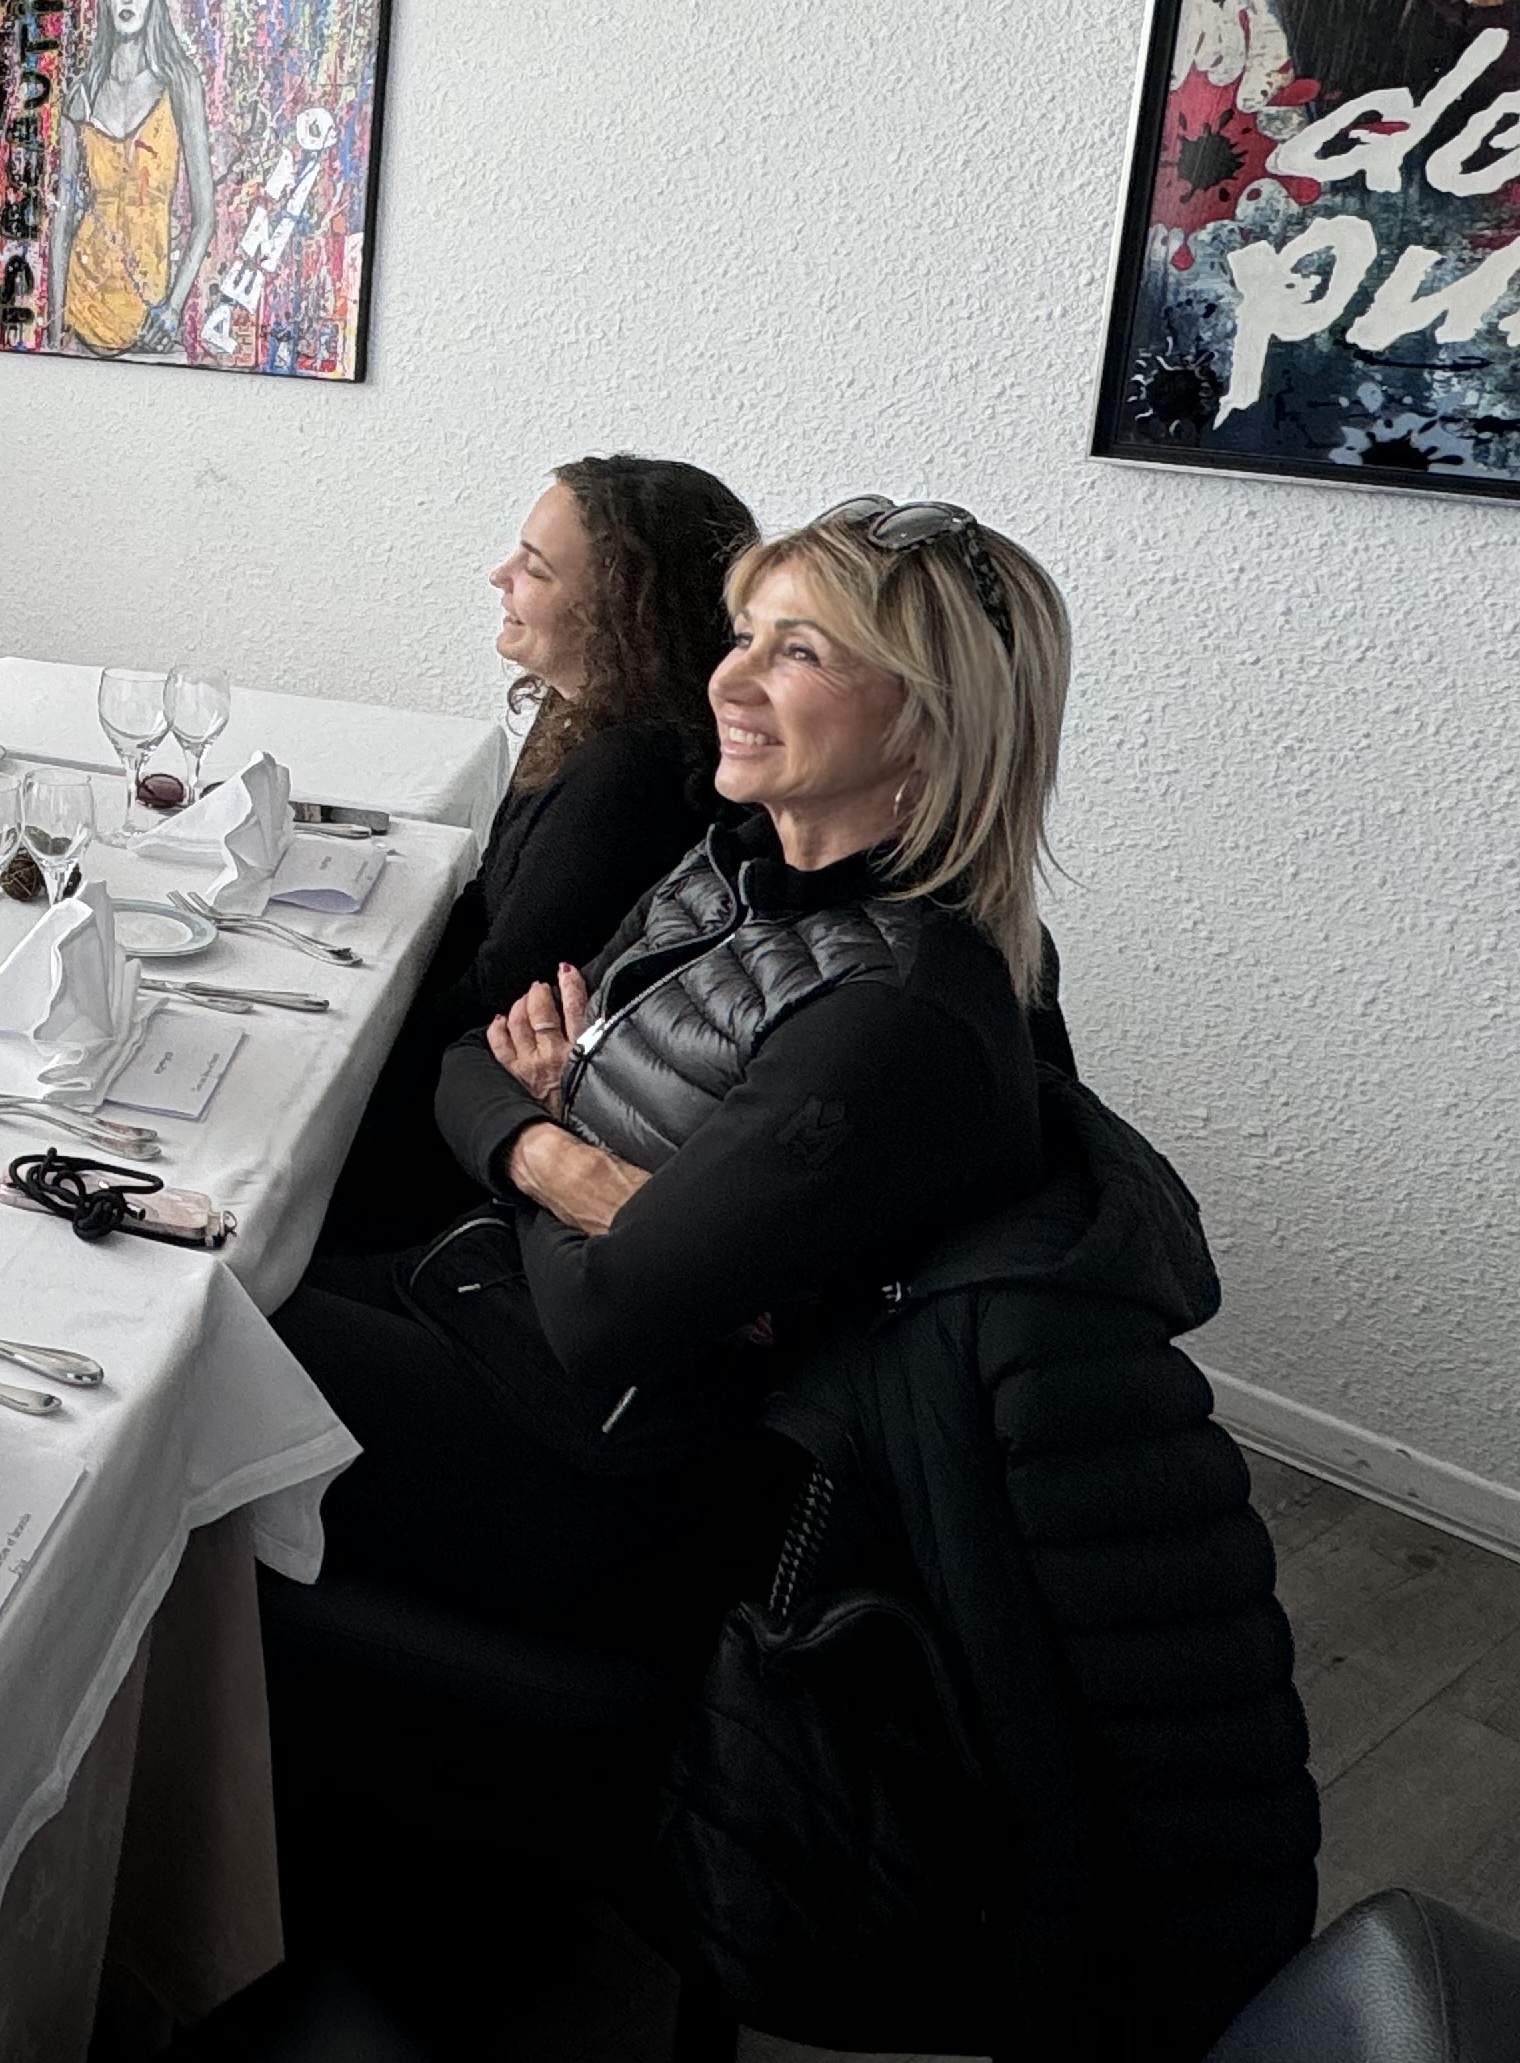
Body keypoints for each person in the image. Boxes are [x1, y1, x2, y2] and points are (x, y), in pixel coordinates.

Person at [277, 496, 1071, 1661]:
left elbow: (612, 1318)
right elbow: (468, 1064)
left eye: (797, 651)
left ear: (938, 717)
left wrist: (547, 1145)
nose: (729, 682)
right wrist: (576, 1170)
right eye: (744, 634)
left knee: (166, 1368)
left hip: (604, 1467)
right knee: (199, 1277)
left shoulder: (890, 1015)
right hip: (489, 1306)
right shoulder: (739, 863)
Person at [318, 453, 756, 1254]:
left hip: (477, 1136)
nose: (500, 576)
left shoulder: (630, 775)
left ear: (626, 617)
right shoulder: (583, 710)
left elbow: (503, 993)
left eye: (536, 569)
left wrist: (337, 1058)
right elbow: (488, 899)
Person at [56, 0, 212, 358]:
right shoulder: (82, 94)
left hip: (150, 325)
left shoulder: (179, 83)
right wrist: (54, 329)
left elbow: (206, 218)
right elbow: (63, 219)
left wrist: (173, 310)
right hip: (82, 315)